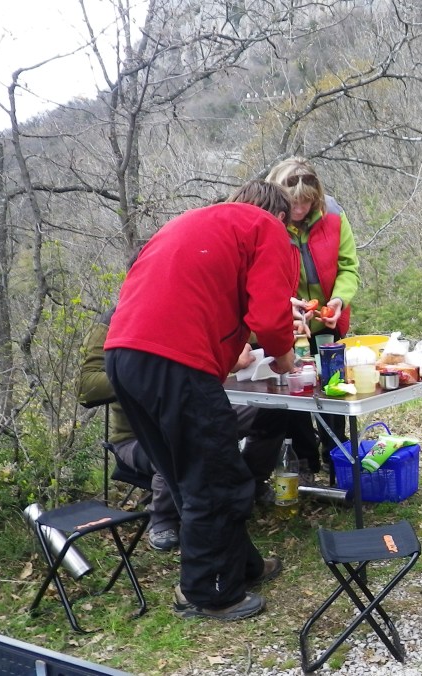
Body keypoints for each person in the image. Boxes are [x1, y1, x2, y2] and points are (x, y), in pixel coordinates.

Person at [104, 179, 298, 621]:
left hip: (124, 356)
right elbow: (270, 315)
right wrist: (284, 354)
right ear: (280, 217)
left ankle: (240, 566)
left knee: (187, 473)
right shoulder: (265, 225)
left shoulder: (194, 223)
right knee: (216, 478)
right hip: (174, 361)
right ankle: (208, 593)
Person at [79, 309, 287, 552]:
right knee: (177, 438)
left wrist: (275, 332)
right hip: (136, 437)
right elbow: (87, 387)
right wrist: (148, 372)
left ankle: (251, 481)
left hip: (198, 413)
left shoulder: (183, 309)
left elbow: (242, 333)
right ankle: (162, 519)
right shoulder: (113, 321)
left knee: (271, 410)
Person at [263, 157, 361, 476]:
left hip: (328, 323)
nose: (301, 209)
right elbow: (262, 277)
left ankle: (337, 455)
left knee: (333, 390)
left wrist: (338, 300)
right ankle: (303, 459)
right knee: (294, 393)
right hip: (288, 323)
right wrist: (284, 308)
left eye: (307, 201)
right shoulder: (269, 220)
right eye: (294, 202)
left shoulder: (333, 215)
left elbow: (348, 267)